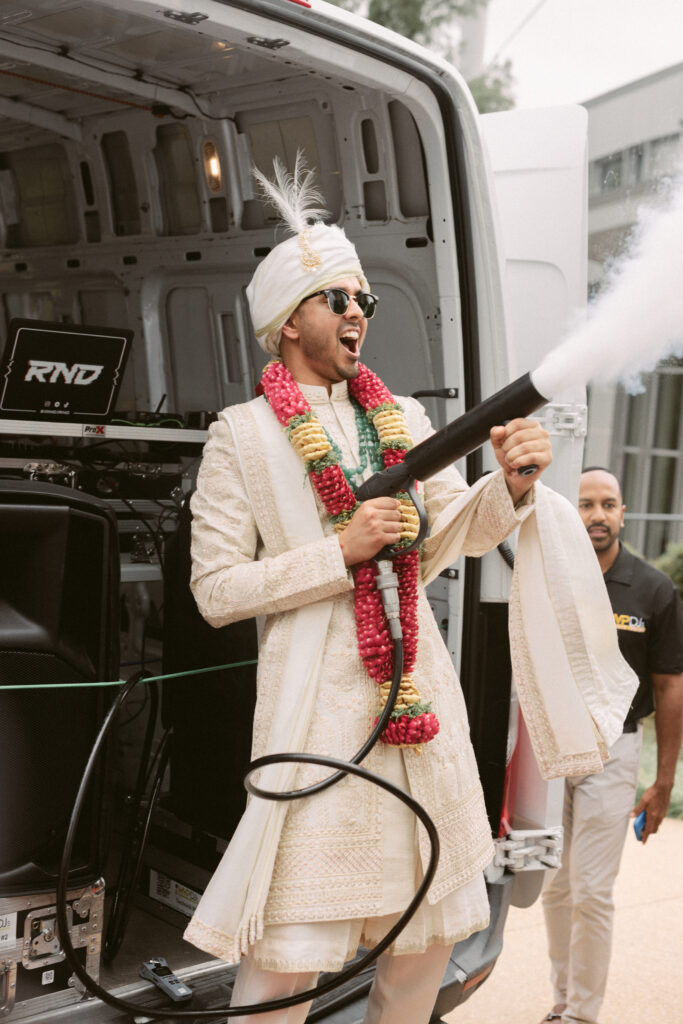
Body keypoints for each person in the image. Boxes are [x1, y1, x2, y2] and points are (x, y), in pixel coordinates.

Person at [182, 157, 631, 1024]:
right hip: (315, 719)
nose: (359, 312)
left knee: (425, 940)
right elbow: (215, 591)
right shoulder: (240, 435)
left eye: (365, 300)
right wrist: (340, 551)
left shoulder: (408, 422)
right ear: (287, 321)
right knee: (290, 956)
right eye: (338, 298)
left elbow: (451, 534)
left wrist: (511, 486)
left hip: (422, 709)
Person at [540, 466, 683, 1024]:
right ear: (569, 512)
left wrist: (663, 780)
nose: (597, 515)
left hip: (614, 749)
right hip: (554, 749)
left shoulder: (654, 589)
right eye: (585, 504)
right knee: (555, 886)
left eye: (607, 504)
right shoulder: (550, 577)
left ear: (623, 513)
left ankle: (581, 1014)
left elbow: (670, 686)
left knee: (592, 891)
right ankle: (561, 1003)